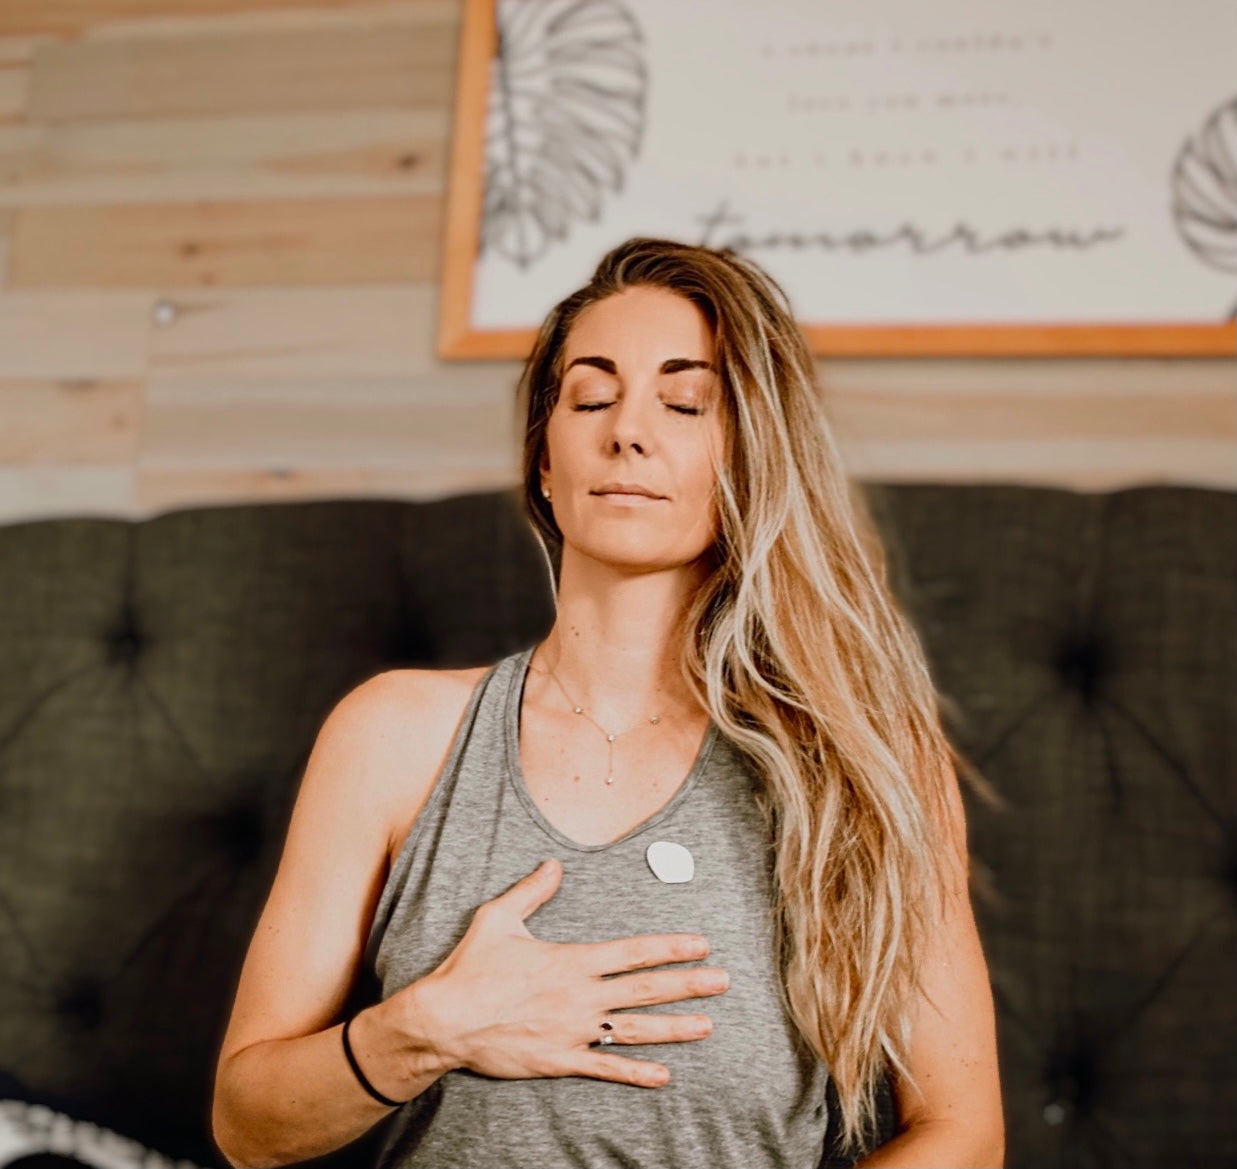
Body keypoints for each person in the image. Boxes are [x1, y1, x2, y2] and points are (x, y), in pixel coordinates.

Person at [211, 238, 1003, 1168]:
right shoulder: (391, 735)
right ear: (543, 461)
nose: (627, 429)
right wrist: (424, 1030)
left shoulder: (863, 762)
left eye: (684, 401)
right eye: (590, 397)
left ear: (751, 458)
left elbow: (962, 1132)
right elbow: (247, 1126)